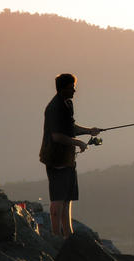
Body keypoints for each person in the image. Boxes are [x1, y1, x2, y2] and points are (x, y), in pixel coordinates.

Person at [39, 73, 101, 237]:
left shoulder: (67, 104)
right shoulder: (55, 108)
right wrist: (78, 143)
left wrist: (89, 131)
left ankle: (68, 234)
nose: (74, 90)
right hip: (56, 159)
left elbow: (70, 127)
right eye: (71, 87)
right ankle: (56, 237)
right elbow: (57, 136)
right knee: (58, 200)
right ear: (62, 89)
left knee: (67, 199)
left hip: (67, 159)